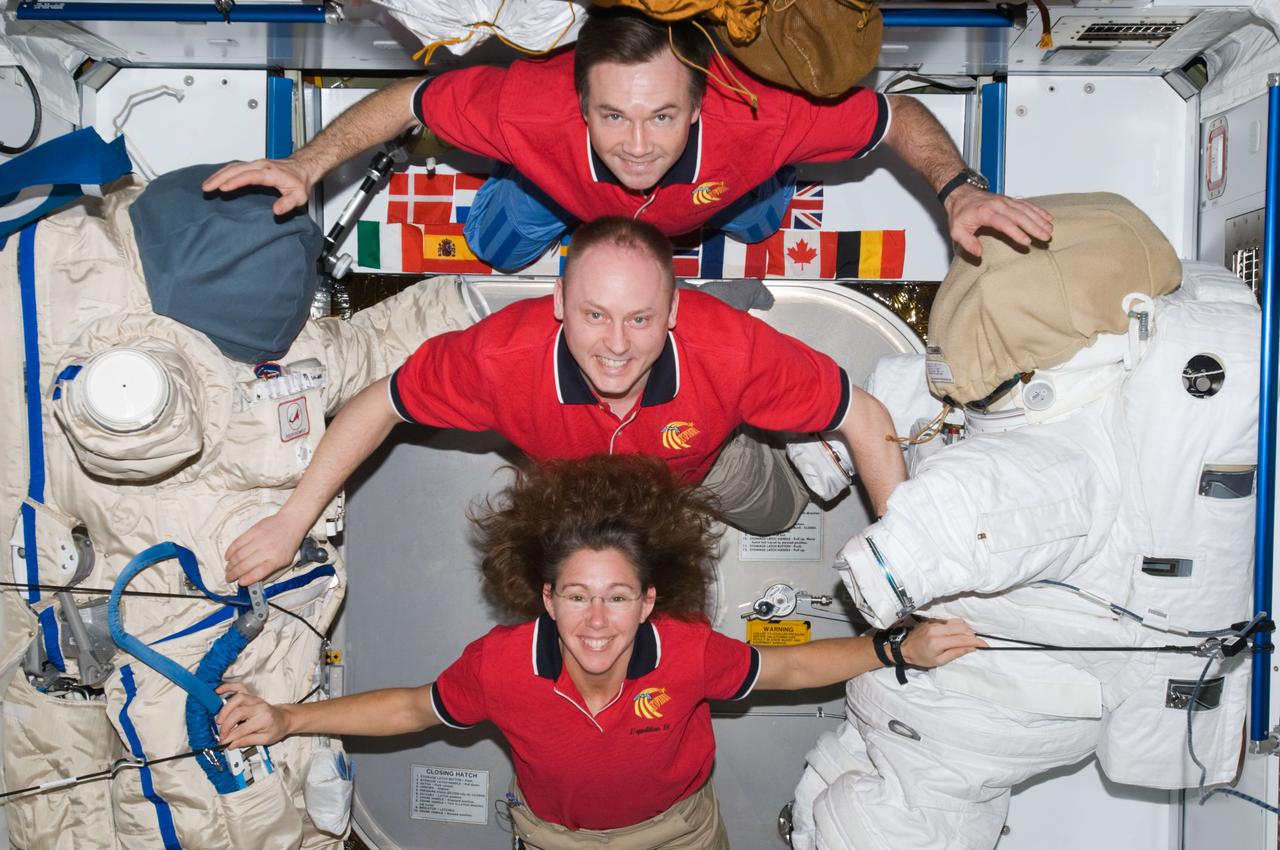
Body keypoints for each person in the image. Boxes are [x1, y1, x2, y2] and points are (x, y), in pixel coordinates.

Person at [216, 455, 985, 848]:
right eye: (576, 596)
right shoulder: (502, 662)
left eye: (617, 596)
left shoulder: (684, 651)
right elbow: (414, 707)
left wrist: (895, 648)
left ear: (649, 600)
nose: (596, 621)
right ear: (545, 598)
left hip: (680, 836)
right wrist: (287, 718)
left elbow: (787, 666)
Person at [225, 216, 907, 586]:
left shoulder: (731, 353)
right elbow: (382, 404)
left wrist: (901, 561)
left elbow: (865, 416)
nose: (615, 346)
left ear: (672, 312)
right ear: (557, 304)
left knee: (777, 514)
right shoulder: (498, 360)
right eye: (594, 315)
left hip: (704, 458)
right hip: (570, 479)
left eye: (640, 318)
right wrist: (292, 521)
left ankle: (766, 409)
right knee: (577, 579)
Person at [201, 7, 1052, 271]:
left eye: (660, 115)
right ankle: (543, 208)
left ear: (702, 98)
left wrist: (959, 189)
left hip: (724, 198)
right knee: (495, 246)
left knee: (764, 221)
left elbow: (895, 115)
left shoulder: (763, 112)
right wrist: (306, 164)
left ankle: (747, 204)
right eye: (612, 116)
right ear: (578, 103)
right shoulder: (525, 109)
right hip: (559, 199)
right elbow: (414, 101)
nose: (638, 145)